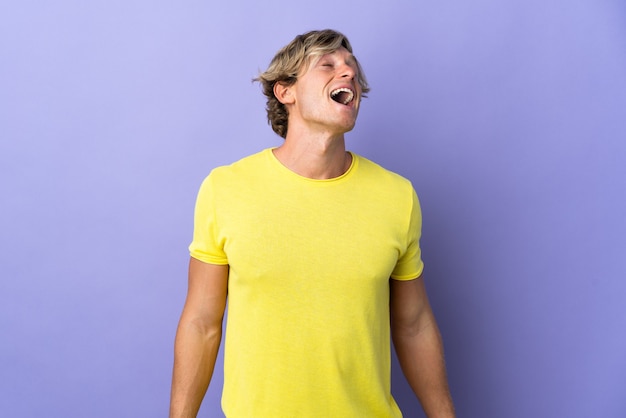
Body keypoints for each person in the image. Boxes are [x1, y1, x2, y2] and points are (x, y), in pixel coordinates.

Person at [169, 29, 455, 418]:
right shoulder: (226, 189)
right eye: (329, 65)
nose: (348, 74)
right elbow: (202, 323)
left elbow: (414, 324)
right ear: (285, 91)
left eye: (352, 68)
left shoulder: (397, 196)